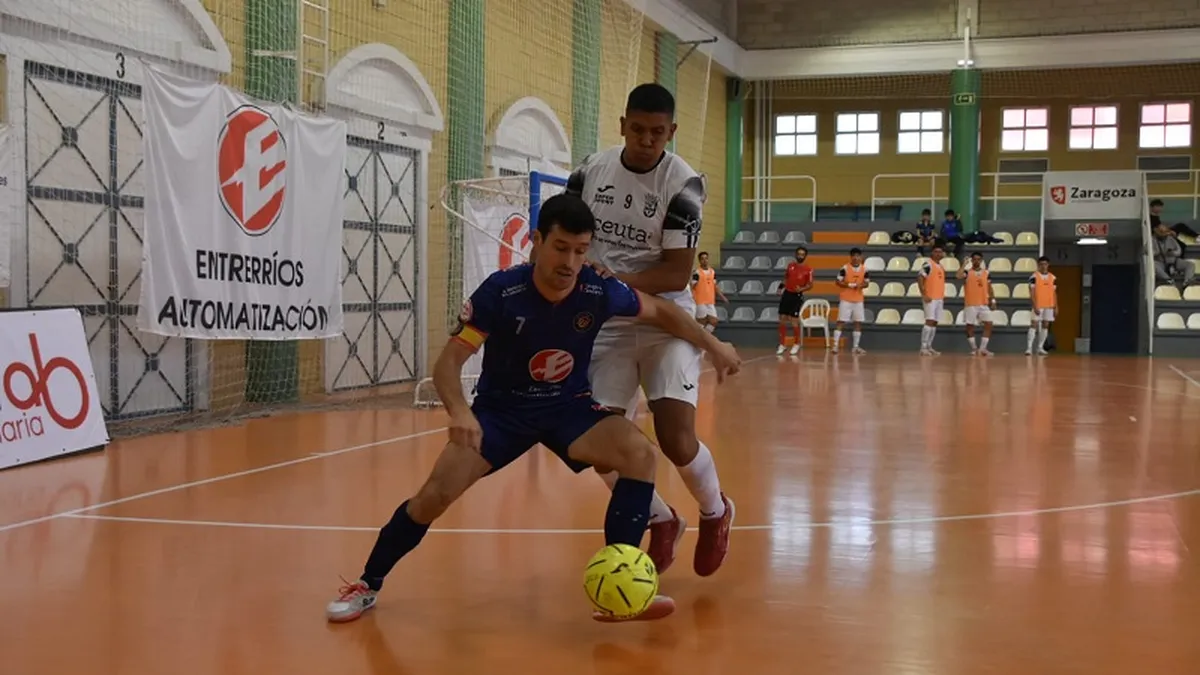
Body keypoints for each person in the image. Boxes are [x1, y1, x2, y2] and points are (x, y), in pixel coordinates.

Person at [323, 194, 743, 625]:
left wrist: (713, 345)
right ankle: (367, 584)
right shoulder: (501, 291)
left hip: (568, 407)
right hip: (501, 413)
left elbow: (663, 311)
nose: (571, 262)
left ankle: (619, 586)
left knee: (638, 453)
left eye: (581, 251)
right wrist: (460, 412)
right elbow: (449, 363)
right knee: (434, 495)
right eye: (561, 248)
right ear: (537, 241)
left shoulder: (597, 289)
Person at [566, 83, 734, 578]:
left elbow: (676, 274)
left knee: (676, 438)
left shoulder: (684, 185)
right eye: (637, 129)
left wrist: (611, 281)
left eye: (657, 133)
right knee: (598, 444)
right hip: (608, 322)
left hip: (665, 318)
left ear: (671, 132)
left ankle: (716, 511)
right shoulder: (588, 173)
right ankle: (663, 519)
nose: (645, 140)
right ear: (622, 125)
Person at [776, 245, 814, 355]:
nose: (800, 256)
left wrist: (801, 289)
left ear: (805, 256)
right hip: (787, 294)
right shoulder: (790, 266)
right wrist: (780, 287)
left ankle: (796, 343)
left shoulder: (808, 270)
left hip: (797, 296)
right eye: (799, 254)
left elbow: (810, 285)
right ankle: (782, 344)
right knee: (782, 318)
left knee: (794, 320)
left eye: (802, 255)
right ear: (796, 255)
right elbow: (786, 278)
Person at [957, 251, 997, 356]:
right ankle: (974, 348)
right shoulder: (967, 273)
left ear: (981, 260)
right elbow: (958, 276)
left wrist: (993, 300)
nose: (976, 261)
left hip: (983, 303)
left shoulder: (986, 273)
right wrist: (964, 264)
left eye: (978, 259)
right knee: (970, 326)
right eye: (974, 259)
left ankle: (983, 348)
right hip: (971, 303)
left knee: (989, 324)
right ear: (972, 260)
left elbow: (989, 287)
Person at [832, 247, 869, 355]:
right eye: (854, 256)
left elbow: (866, 283)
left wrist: (860, 285)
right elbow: (838, 282)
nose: (856, 258)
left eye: (858, 256)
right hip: (846, 299)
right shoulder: (844, 268)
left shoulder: (865, 269)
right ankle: (835, 346)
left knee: (858, 322)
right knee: (841, 321)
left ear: (860, 257)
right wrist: (848, 284)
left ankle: (855, 347)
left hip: (858, 300)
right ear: (851, 257)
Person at [916, 244, 946, 355]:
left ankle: (929, 346)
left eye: (940, 252)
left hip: (939, 298)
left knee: (934, 322)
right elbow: (920, 277)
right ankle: (923, 347)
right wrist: (924, 294)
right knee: (929, 320)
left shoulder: (941, 266)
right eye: (936, 252)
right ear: (932, 253)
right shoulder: (928, 264)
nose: (938, 254)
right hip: (930, 297)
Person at [1026, 256, 1057, 356]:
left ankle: (1040, 347)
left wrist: (1056, 306)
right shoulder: (1034, 277)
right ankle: (1029, 348)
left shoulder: (1052, 277)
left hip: (1049, 305)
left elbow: (1054, 293)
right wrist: (1035, 305)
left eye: (1045, 264)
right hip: (1038, 304)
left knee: (1046, 325)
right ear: (1038, 265)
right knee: (1034, 324)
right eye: (1041, 264)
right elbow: (1031, 292)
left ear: (1048, 265)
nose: (1043, 266)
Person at [691, 251, 728, 332]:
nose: (705, 260)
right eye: (702, 259)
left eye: (706, 258)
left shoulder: (712, 272)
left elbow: (715, 286)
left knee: (714, 321)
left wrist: (722, 297)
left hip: (710, 300)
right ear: (699, 261)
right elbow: (692, 286)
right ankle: (698, 337)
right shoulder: (697, 272)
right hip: (700, 301)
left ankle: (704, 336)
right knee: (702, 322)